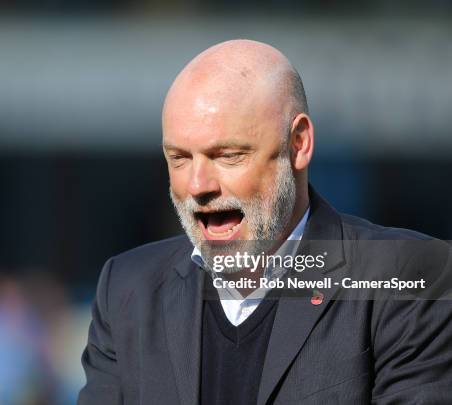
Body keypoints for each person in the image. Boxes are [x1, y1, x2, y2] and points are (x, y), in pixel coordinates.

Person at [78, 40, 452, 404]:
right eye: (179, 158)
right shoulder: (127, 290)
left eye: (227, 155)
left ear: (298, 144)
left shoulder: (406, 279)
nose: (197, 185)